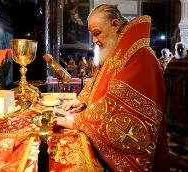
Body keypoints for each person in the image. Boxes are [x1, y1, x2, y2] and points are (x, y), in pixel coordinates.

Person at [54, 4, 169, 172]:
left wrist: (78, 121)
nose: (94, 40)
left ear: (115, 25)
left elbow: (118, 104)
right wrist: (82, 101)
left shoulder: (142, 56)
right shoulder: (116, 51)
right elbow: (98, 80)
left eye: (97, 33)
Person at [164, 42, 188, 139]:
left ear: (186, 49)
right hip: (173, 94)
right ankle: (173, 127)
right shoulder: (172, 61)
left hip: (187, 94)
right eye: (178, 49)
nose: (179, 51)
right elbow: (165, 76)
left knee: (186, 113)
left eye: (181, 49)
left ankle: (186, 130)